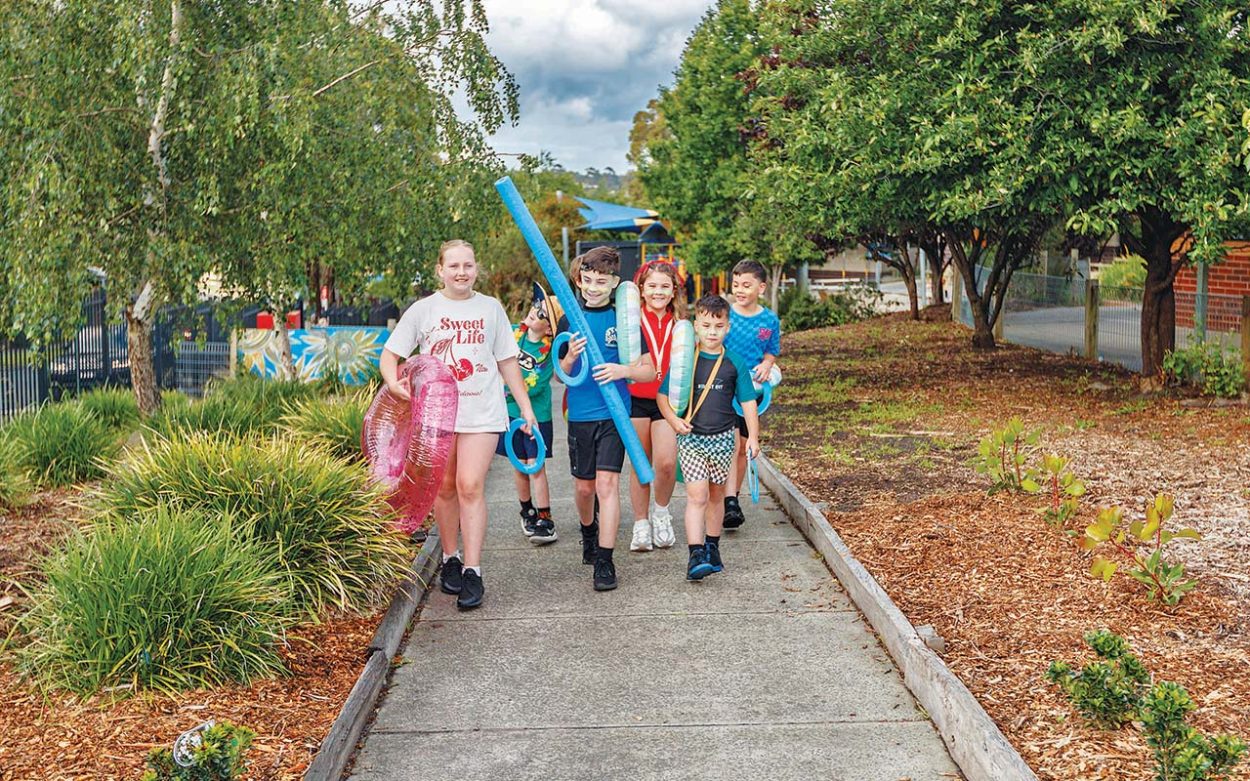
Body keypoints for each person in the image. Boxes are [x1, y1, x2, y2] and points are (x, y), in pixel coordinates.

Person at [380, 239, 539, 611]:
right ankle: (450, 558)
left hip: (482, 411)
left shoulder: (491, 308)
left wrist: (526, 408)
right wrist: (393, 382)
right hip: (436, 415)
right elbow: (391, 355)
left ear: (476, 268)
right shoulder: (424, 310)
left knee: (470, 485)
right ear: (440, 270)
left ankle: (473, 569)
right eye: (453, 266)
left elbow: (507, 361)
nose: (461, 272)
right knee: (445, 487)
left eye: (467, 265)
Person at [557, 246, 655, 591]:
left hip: (615, 414)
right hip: (580, 414)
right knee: (585, 489)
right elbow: (560, 374)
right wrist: (569, 357)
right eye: (587, 280)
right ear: (579, 279)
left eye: (601, 281)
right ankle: (588, 531)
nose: (593, 287)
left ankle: (605, 559)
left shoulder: (626, 320)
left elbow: (648, 370)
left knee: (607, 485)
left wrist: (622, 370)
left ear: (614, 283)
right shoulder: (569, 318)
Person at [658, 295, 760, 580]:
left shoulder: (734, 363)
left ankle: (713, 547)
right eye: (706, 325)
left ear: (728, 328)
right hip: (692, 439)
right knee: (697, 495)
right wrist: (673, 420)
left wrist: (752, 437)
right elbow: (662, 396)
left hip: (724, 439)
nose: (712, 332)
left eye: (718, 326)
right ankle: (695, 553)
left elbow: (748, 402)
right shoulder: (684, 360)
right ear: (696, 326)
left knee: (716, 496)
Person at [626, 260, 685, 553]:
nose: (658, 292)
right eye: (652, 286)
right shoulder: (630, 319)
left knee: (665, 463)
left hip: (668, 402)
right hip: (636, 398)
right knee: (640, 465)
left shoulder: (683, 324)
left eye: (664, 286)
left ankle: (661, 513)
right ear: (641, 289)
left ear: (674, 291)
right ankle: (640, 524)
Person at [496, 282, 560, 545]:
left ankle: (545, 517)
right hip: (510, 414)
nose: (535, 312)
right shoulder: (512, 335)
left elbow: (537, 384)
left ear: (549, 329)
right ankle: (527, 510)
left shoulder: (549, 353)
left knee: (536, 466)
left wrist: (513, 392)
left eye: (543, 314)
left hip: (536, 416)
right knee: (519, 465)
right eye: (536, 307)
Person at [722, 259, 781, 531]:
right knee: (732, 446)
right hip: (725, 389)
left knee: (744, 448)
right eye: (736, 285)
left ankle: (733, 495)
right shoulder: (726, 315)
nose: (740, 290)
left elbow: (770, 350)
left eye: (746, 285)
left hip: (753, 391)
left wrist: (768, 364)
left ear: (761, 287)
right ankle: (730, 501)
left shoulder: (769, 320)